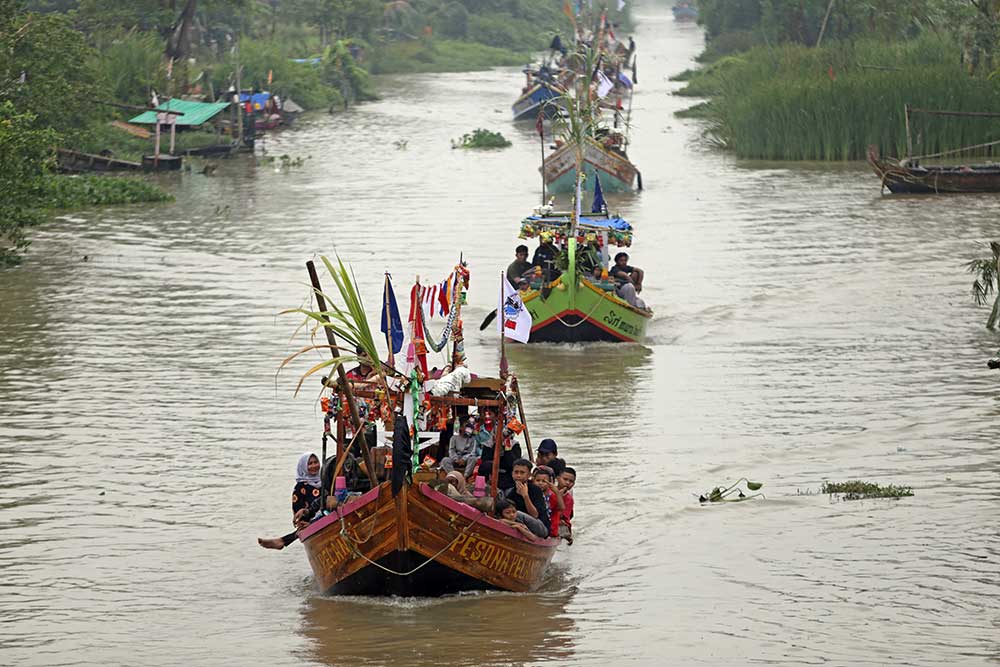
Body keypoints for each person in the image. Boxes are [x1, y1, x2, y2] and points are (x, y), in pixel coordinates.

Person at [258, 452, 322, 550]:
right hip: (310, 521)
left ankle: (283, 541)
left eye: (315, 462)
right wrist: (306, 520)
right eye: (310, 464)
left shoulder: (325, 479)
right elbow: (298, 512)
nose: (314, 466)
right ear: (303, 467)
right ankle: (283, 541)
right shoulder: (300, 487)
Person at [501, 458, 549, 529]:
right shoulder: (511, 492)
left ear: (529, 475)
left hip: (540, 526)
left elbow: (535, 515)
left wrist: (525, 496)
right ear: (512, 474)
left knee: (518, 514)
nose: (518, 475)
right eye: (516, 472)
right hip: (522, 524)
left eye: (522, 473)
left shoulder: (536, 490)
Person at [533, 465, 563, 538]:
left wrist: (557, 492)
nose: (540, 483)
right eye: (538, 480)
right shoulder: (531, 493)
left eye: (544, 481)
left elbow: (561, 508)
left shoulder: (552, 495)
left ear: (550, 482)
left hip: (550, 529)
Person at [557, 467, 575, 544]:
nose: (567, 483)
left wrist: (559, 497)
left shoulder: (569, 499)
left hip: (561, 523)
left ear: (573, 484)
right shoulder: (549, 491)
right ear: (558, 478)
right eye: (565, 479)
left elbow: (562, 516)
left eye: (571, 481)